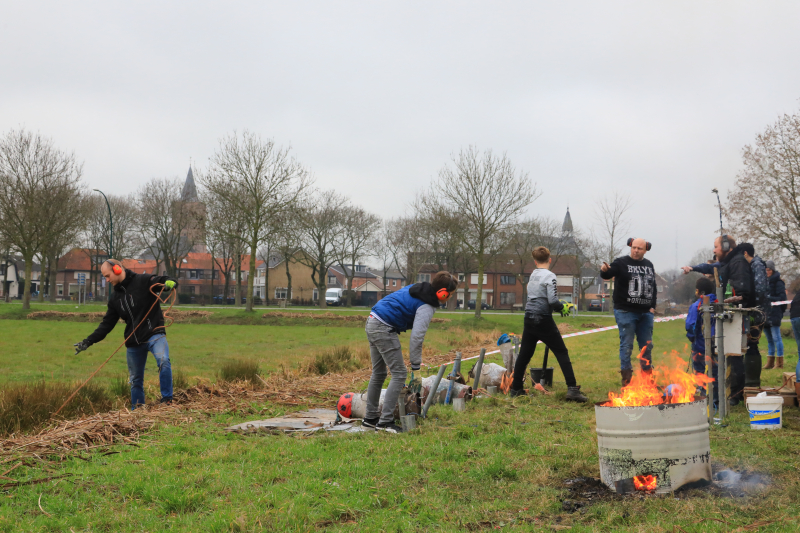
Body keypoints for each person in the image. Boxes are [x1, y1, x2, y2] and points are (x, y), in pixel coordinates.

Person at [73, 259, 178, 408]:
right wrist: (88, 341)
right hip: (133, 341)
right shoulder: (115, 298)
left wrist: (170, 283)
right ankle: (137, 410)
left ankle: (167, 401)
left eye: (107, 276)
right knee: (135, 379)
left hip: (154, 334)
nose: (107, 280)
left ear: (117, 269)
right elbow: (106, 325)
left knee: (164, 361)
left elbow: (164, 280)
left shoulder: (143, 280)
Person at [363, 271, 458, 433]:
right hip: (383, 328)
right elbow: (417, 338)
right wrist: (416, 368)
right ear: (442, 293)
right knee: (399, 374)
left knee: (379, 373)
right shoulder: (426, 306)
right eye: (450, 294)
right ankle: (385, 422)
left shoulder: (418, 289)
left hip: (372, 321)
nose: (450, 297)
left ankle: (370, 419)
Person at [509, 246, 588, 402]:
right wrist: (561, 307)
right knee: (561, 352)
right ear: (549, 260)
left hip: (529, 317)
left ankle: (516, 388)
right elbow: (552, 300)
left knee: (524, 354)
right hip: (542, 318)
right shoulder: (550, 275)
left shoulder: (533, 275)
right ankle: (572, 389)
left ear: (535, 261)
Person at [600, 238, 657, 386]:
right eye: (634, 247)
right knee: (627, 345)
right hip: (625, 312)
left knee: (646, 346)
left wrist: (652, 307)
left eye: (639, 248)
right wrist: (604, 270)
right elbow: (608, 273)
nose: (636, 250)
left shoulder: (649, 265)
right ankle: (627, 379)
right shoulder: (621, 262)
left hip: (645, 313)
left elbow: (653, 286)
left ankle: (647, 379)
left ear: (645, 250)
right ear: (630, 247)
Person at [685, 277, 717, 398]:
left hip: (700, 346)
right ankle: (716, 396)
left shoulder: (696, 305)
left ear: (699, 291)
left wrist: (692, 338)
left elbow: (691, 325)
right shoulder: (718, 303)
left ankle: (704, 396)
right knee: (715, 371)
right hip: (717, 345)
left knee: (700, 372)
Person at [763, 260, 787, 369]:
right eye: (765, 270)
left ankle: (779, 362)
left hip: (775, 313)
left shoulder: (779, 282)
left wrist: (768, 298)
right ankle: (770, 361)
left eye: (768, 270)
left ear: (772, 270)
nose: (766, 272)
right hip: (766, 313)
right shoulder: (763, 282)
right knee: (769, 339)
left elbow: (782, 298)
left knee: (776, 338)